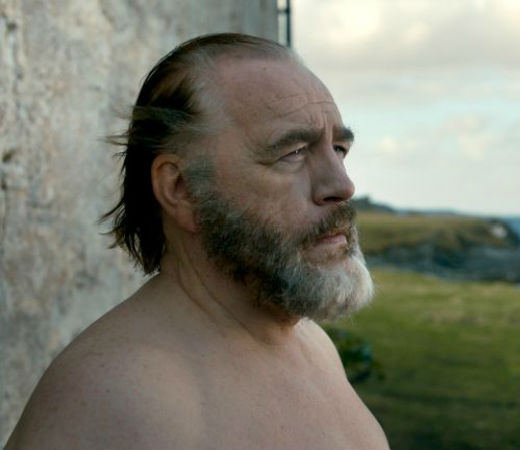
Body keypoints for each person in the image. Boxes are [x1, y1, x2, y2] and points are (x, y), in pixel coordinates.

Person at [6, 33, 389, 450]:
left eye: (339, 148)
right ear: (182, 189)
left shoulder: (313, 345)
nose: (342, 185)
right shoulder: (116, 398)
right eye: (293, 152)